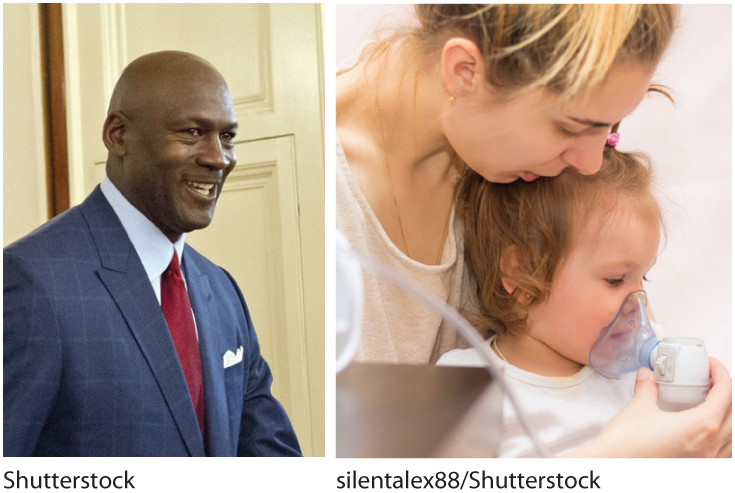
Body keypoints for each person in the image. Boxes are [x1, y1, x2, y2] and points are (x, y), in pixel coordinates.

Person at [336, 4, 731, 458]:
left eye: (609, 128)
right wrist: (617, 464)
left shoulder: (521, 170)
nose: (593, 163)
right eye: (572, 127)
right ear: (464, 72)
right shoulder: (326, 212)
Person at [3, 51, 302, 457]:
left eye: (227, 136)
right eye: (193, 132)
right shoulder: (32, 282)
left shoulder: (222, 291)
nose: (218, 158)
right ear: (118, 135)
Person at [438, 141, 666, 456]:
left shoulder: (640, 375)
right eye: (615, 280)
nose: (638, 304)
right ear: (523, 274)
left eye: (643, 278)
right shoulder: (463, 389)